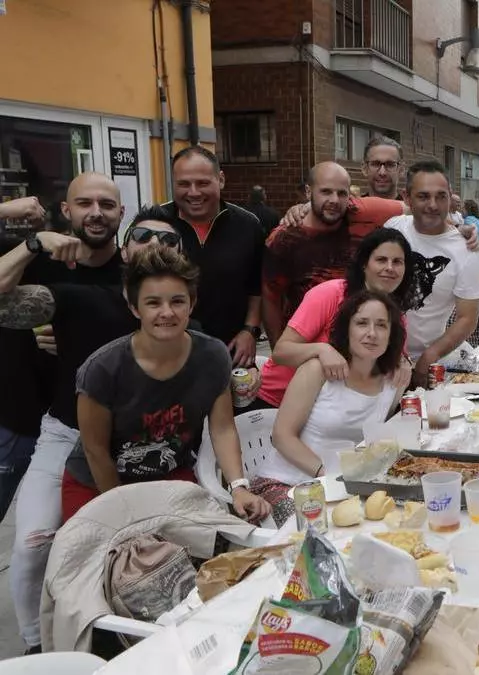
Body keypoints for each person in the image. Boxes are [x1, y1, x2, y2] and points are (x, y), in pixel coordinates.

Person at [0, 201, 190, 655]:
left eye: (167, 239)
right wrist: (32, 243)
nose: (154, 243)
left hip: (148, 442)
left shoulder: (186, 320)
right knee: (33, 544)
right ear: (125, 249)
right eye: (142, 235)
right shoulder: (80, 298)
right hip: (70, 436)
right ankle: (38, 648)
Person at [62, 247, 271, 522]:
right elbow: (96, 451)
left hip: (170, 473)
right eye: (153, 303)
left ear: (191, 304)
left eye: (177, 301)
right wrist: (124, 513)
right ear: (134, 307)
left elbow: (222, 428)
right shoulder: (102, 369)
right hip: (97, 483)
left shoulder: (213, 355)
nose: (167, 312)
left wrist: (238, 487)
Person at [0, 189, 121, 523]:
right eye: (85, 203)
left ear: (121, 213)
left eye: (106, 204)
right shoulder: (35, 255)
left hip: (83, 423)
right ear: (67, 210)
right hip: (22, 412)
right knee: (30, 542)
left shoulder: (130, 272)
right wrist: (31, 239)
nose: (96, 212)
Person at [253, 290, 406, 525]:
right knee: (322, 530)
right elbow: (282, 436)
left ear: (391, 334)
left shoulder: (394, 381)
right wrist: (327, 473)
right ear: (346, 329)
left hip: (345, 488)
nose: (372, 333)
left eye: (381, 325)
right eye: (362, 323)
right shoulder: (316, 370)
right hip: (288, 484)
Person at [254, 228, 417, 408]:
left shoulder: (397, 317)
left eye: (397, 262)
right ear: (364, 264)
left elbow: (395, 360)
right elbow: (281, 353)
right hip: (276, 403)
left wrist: (403, 362)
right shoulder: (330, 294)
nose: (390, 268)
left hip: (332, 412)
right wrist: (322, 350)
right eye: (381, 260)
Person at [261, 162, 406, 344]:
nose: (335, 200)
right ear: (308, 192)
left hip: (360, 341)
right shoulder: (285, 239)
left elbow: (416, 206)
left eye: (342, 193)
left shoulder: (360, 212)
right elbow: (271, 297)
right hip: (306, 344)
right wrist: (278, 349)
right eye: (326, 192)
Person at [161, 146, 264, 367]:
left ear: (221, 180)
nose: (194, 192)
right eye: (183, 184)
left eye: (203, 183)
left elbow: (257, 287)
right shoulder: (154, 224)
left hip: (232, 351)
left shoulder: (248, 225)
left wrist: (250, 330)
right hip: (169, 352)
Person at [383, 161, 479, 388]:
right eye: (423, 196)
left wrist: (430, 356)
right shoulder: (393, 228)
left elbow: (467, 319)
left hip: (427, 362)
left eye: (441, 196)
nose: (433, 205)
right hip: (380, 357)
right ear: (407, 198)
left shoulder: (467, 251)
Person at [362, 136, 405, 201]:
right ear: (364, 169)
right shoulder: (353, 207)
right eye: (375, 164)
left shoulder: (412, 207)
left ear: (401, 170)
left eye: (390, 165)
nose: (382, 173)